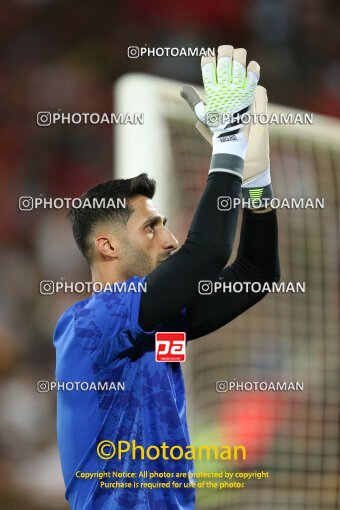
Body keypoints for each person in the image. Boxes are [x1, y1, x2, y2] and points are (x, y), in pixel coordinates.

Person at [54, 45, 280, 510]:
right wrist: (229, 145)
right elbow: (208, 252)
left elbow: (256, 274)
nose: (170, 238)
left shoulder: (160, 327)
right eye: (151, 227)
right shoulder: (89, 325)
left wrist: (256, 179)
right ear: (108, 246)